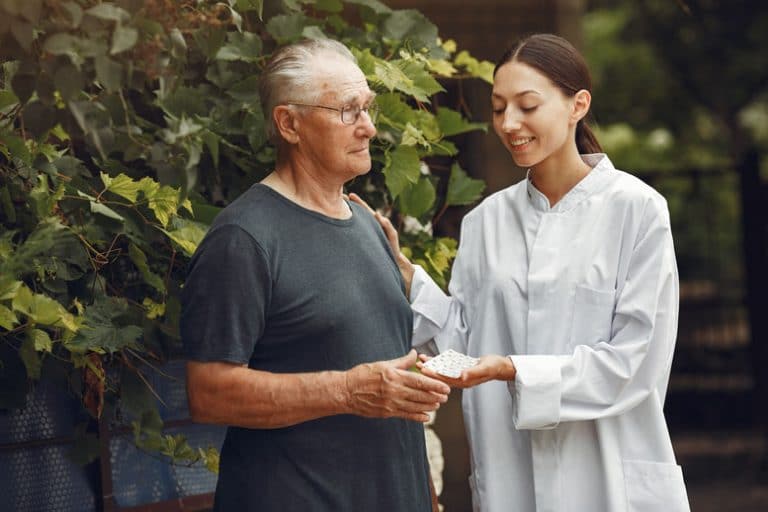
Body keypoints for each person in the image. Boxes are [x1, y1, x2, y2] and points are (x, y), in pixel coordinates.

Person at [353, 33, 690, 512]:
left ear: (578, 105)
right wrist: (406, 275)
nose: (509, 123)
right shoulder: (484, 221)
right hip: (512, 476)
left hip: (608, 478)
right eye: (498, 108)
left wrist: (514, 369)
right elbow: (464, 348)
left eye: (527, 106)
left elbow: (635, 362)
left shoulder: (636, 211)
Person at [180, 38, 450, 511]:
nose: (367, 127)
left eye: (368, 108)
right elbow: (209, 392)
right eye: (348, 111)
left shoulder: (367, 223)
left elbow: (392, 392)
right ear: (289, 123)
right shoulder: (244, 239)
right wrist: (346, 391)